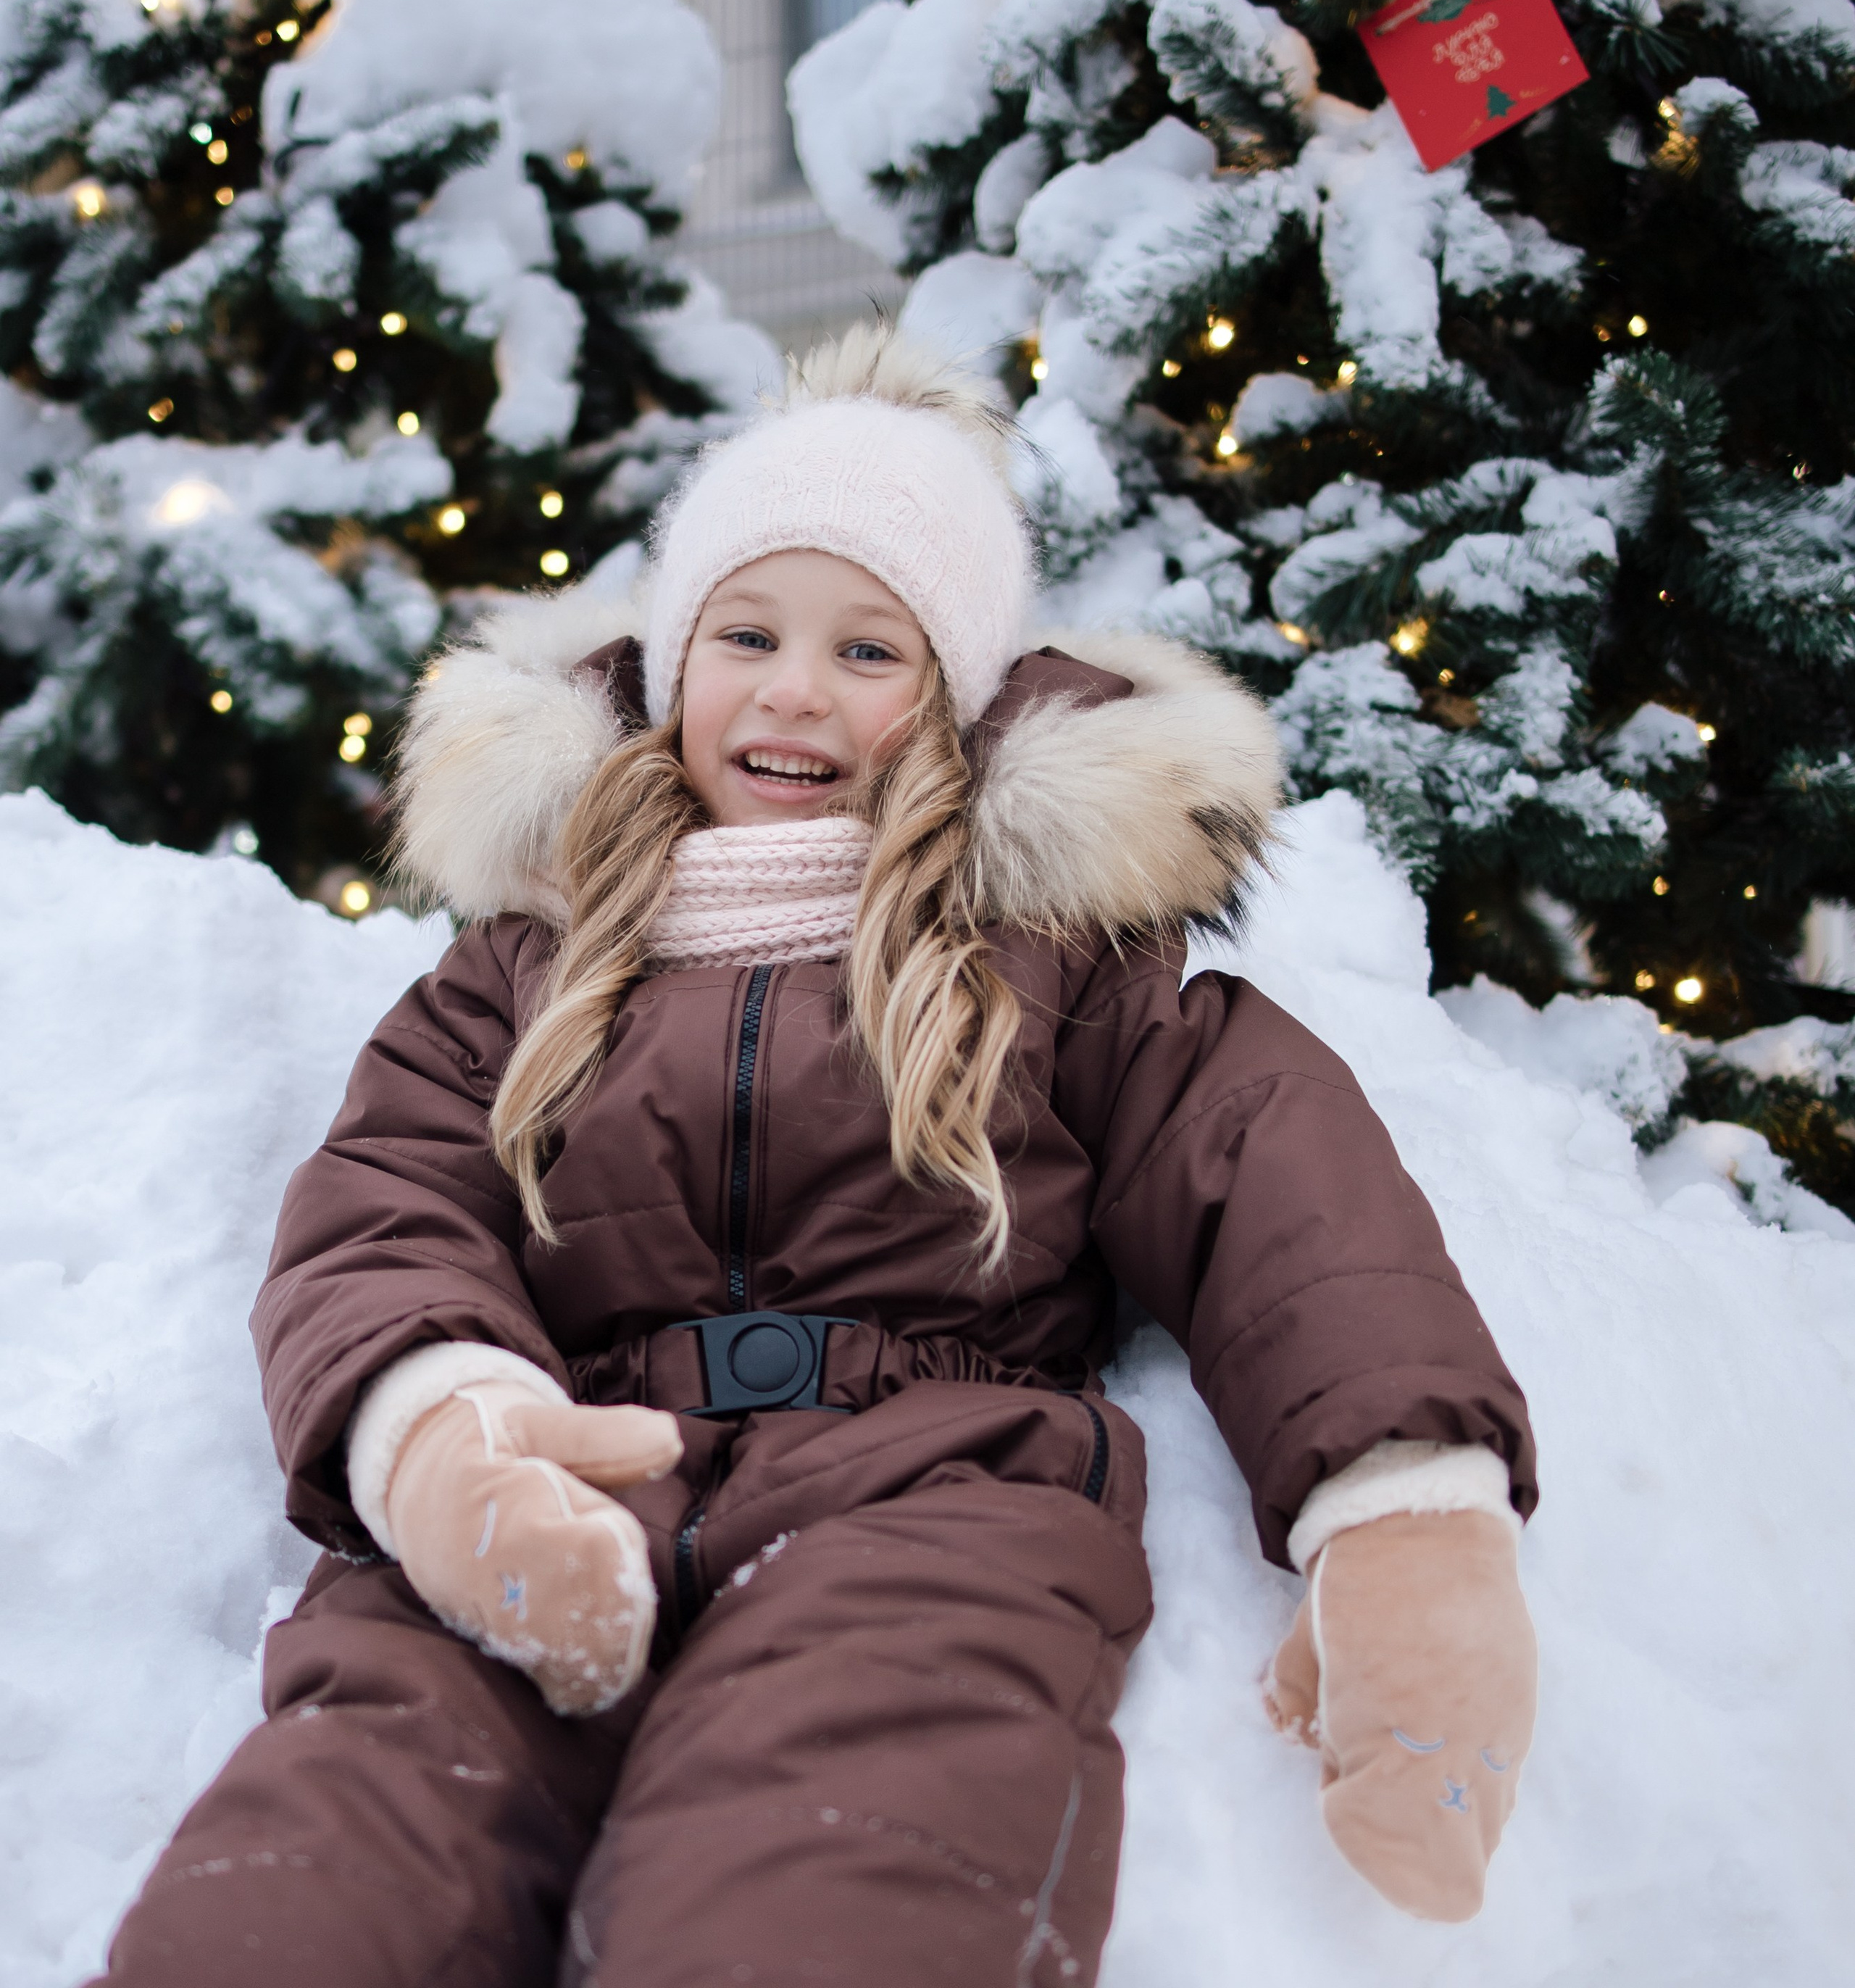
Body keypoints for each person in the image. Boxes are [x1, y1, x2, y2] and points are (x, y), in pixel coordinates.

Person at [99, 330, 1538, 1988]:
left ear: (959, 698)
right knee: (337, 1847)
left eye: (870, 649)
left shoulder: (1054, 958)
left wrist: (1406, 1510)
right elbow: (387, 1201)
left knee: (827, 1871)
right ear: (668, 656)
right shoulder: (528, 959)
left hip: (932, 1491)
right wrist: (442, 1433)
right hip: (564, 1469)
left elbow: (1279, 1191)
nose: (792, 691)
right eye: (747, 633)